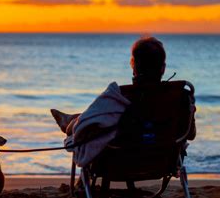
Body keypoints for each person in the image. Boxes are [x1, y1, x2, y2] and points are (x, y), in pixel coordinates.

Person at [51, 35, 196, 143]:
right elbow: (190, 134)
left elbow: (86, 128)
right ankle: (72, 119)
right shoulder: (180, 96)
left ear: (133, 67)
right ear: (163, 69)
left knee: (91, 123)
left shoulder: (120, 97)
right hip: (164, 159)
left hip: (122, 160)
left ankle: (70, 121)